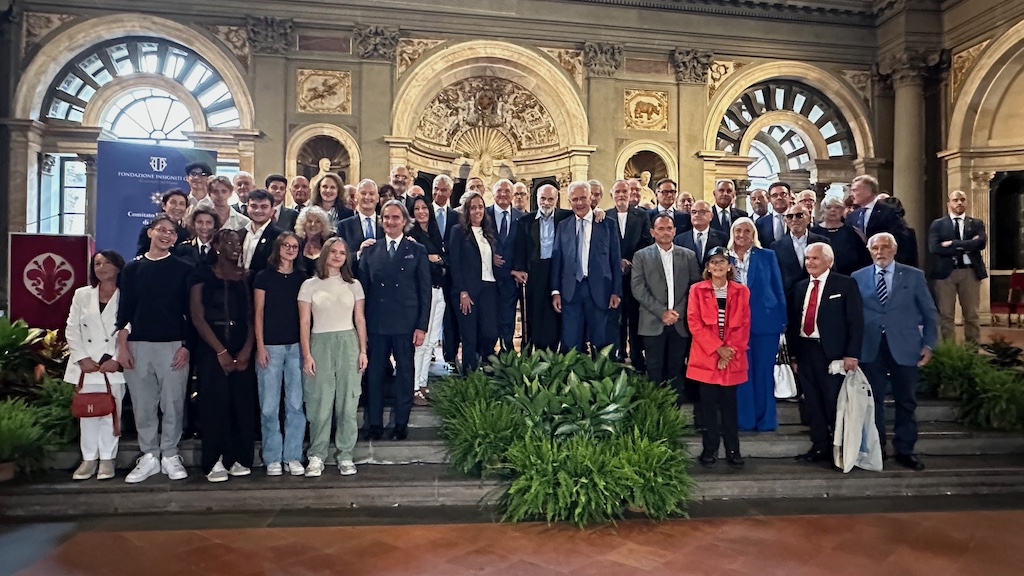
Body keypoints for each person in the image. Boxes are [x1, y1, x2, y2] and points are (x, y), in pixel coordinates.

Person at [116, 214, 194, 483]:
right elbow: (124, 313)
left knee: (172, 403)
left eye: (172, 232)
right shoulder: (131, 269)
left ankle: (170, 453)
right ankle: (149, 454)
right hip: (138, 345)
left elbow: (190, 313)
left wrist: (186, 346)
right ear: (150, 232)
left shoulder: (183, 268)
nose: (166, 236)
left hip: (173, 344)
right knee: (143, 404)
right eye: (162, 230)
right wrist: (122, 346)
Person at [854, 233, 938, 470]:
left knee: (906, 400)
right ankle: (875, 448)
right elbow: (852, 317)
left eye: (885, 247)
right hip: (870, 348)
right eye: (875, 248)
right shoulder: (857, 277)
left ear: (894, 250)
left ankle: (905, 450)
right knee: (873, 402)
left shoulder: (913, 276)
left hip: (905, 346)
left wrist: (929, 345)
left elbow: (930, 313)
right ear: (869, 251)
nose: (880, 252)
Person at [358, 200, 431, 441]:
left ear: (404, 221)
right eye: (386, 217)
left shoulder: (417, 250)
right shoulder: (370, 250)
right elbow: (363, 292)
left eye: (395, 217)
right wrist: (363, 328)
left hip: (406, 322)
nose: (390, 221)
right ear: (381, 221)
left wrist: (422, 326)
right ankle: (375, 424)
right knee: (375, 374)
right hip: (377, 322)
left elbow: (424, 291)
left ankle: (401, 423)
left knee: (404, 374)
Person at [189, 229, 256, 483]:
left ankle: (239, 457)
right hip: (211, 345)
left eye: (238, 243)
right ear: (216, 245)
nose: (235, 247)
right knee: (214, 403)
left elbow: (251, 316)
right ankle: (214, 459)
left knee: (241, 403)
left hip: (242, 343)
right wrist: (221, 351)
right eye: (229, 242)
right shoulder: (202, 274)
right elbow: (197, 315)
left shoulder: (245, 276)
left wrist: (247, 349)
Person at [298, 237, 368, 477]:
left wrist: (362, 350)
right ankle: (316, 455)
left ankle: (345, 454)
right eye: (334, 252)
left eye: (342, 252)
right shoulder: (309, 285)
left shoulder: (354, 285)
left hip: (348, 343)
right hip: (320, 343)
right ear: (325, 254)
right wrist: (307, 354)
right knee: (320, 403)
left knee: (348, 403)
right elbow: (305, 322)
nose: (338, 256)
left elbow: (360, 319)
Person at [787, 243, 863, 464]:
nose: (809, 262)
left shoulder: (845, 284)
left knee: (833, 402)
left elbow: (855, 322)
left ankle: (839, 449)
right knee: (812, 403)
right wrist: (793, 355)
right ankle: (819, 446)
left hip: (833, 354)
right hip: (805, 351)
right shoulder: (800, 287)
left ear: (829, 261)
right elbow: (794, 322)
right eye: (808, 258)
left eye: (815, 259)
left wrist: (851, 354)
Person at [65, 250, 127, 481]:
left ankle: (108, 459)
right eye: (97, 263)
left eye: (107, 263)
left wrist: (116, 359)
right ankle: (89, 458)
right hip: (87, 366)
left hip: (111, 364)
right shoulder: (82, 295)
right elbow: (72, 328)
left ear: (118, 267)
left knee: (111, 413)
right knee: (88, 413)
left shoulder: (126, 295)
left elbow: (129, 329)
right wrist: (82, 358)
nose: (102, 268)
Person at [687, 247, 750, 469]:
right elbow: (695, 323)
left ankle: (733, 450)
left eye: (722, 261)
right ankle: (710, 448)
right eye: (713, 262)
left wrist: (728, 351)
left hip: (731, 357)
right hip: (706, 357)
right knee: (708, 408)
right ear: (707, 267)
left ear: (730, 266)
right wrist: (717, 349)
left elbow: (743, 325)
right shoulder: (697, 290)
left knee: (730, 407)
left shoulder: (741, 291)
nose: (718, 266)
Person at [631, 213, 701, 405]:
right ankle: (657, 411)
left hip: (680, 322)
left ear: (675, 231)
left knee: (676, 368)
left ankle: (675, 412)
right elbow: (638, 289)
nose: (665, 232)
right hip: (653, 321)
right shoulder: (641, 256)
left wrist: (676, 312)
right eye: (660, 229)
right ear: (653, 232)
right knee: (654, 368)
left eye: (669, 228)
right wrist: (661, 312)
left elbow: (695, 288)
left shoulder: (688, 255)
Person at [254, 232, 307, 477]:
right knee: (268, 406)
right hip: (271, 348)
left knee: (296, 404)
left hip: (296, 347)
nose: (290, 249)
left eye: (294, 246)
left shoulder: (302, 278)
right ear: (278, 248)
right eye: (286, 245)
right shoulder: (263, 277)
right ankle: (273, 456)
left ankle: (293, 456)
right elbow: (259, 314)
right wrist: (260, 345)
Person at [728, 217, 786, 432]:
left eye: (747, 231)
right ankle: (745, 420)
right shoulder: (723, 259)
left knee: (763, 372)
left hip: (765, 322)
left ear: (754, 235)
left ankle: (766, 420)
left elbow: (777, 287)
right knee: (742, 373)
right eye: (738, 230)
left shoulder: (767, 256)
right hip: (734, 325)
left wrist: (783, 320)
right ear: (732, 233)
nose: (742, 235)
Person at [552, 181, 622, 352]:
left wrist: (616, 291)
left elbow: (615, 259)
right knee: (570, 341)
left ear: (591, 198)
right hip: (570, 291)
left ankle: (601, 377)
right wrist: (555, 291)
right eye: (574, 199)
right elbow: (558, 260)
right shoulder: (563, 226)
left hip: (600, 290)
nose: (579, 203)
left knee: (601, 341)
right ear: (569, 201)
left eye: (583, 198)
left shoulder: (607, 224)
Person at [513, 184, 573, 350]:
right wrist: (519, 268)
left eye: (550, 199)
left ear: (556, 200)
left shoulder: (566, 217)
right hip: (535, 272)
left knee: (557, 312)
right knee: (536, 313)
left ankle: (556, 350)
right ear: (537, 199)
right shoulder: (525, 221)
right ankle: (538, 349)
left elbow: (585, 213)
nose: (546, 203)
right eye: (543, 199)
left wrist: (598, 212)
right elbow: (519, 248)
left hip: (558, 270)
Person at [450, 191, 500, 371]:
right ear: (466, 211)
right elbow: (454, 263)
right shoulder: (458, 232)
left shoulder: (488, 232)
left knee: (490, 332)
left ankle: (485, 366)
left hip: (489, 287)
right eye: (473, 208)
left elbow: (484, 257)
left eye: (480, 207)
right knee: (469, 336)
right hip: (468, 290)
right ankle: (469, 378)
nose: (477, 211)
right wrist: (462, 291)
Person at [928, 190, 987, 342]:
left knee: (971, 315)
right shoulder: (938, 224)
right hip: (945, 274)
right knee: (946, 315)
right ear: (949, 203)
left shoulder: (976, 223)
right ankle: (950, 351)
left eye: (962, 199)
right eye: (955, 200)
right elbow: (935, 248)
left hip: (970, 272)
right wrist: (968, 244)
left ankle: (972, 352)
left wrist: (953, 244)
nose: (959, 203)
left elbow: (980, 243)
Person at [408, 195, 447, 403]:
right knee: (421, 342)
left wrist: (437, 259)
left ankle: (423, 382)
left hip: (440, 291)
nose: (422, 212)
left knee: (432, 341)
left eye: (424, 208)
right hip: (424, 292)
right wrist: (434, 260)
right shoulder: (411, 236)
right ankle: (414, 387)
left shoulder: (434, 232)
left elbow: (444, 260)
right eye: (417, 209)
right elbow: (422, 264)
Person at [611, 179, 653, 368]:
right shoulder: (605, 216)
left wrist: (630, 261)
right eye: (617, 191)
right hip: (612, 275)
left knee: (635, 316)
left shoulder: (642, 216)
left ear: (630, 194)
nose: (621, 194)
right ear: (612, 194)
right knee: (617, 316)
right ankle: (619, 351)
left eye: (624, 191)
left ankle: (637, 354)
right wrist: (617, 260)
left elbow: (646, 241)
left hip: (635, 274)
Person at [486, 179, 524, 350]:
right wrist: (488, 256)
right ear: (493, 193)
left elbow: (525, 247)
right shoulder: (483, 214)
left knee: (508, 319)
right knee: (489, 319)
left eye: (507, 191)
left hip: (511, 278)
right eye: (499, 191)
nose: (503, 194)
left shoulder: (522, 217)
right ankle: (486, 357)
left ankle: (507, 354)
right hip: (488, 277)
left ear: (512, 194)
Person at [847, 174, 915, 265]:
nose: (851, 194)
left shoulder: (889, 211)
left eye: (855, 190)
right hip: (859, 267)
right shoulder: (852, 215)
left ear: (868, 191)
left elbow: (901, 238)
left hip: (884, 264)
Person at [432, 175, 461, 369]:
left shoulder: (457, 217)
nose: (438, 193)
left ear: (450, 192)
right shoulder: (422, 213)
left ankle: (450, 357)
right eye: (436, 189)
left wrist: (445, 262)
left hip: (451, 273)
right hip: (429, 274)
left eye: (443, 190)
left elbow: (458, 248)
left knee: (451, 317)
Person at [774, 204, 830, 299]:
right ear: (786, 221)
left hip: (818, 296)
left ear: (808, 219)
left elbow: (830, 269)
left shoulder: (822, 242)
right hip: (789, 299)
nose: (794, 219)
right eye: (790, 216)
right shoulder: (776, 246)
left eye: (799, 215)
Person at [810, 196, 871, 276]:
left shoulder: (853, 232)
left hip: (848, 277)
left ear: (842, 210)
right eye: (828, 207)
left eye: (837, 207)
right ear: (822, 210)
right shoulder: (813, 232)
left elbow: (864, 259)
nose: (833, 210)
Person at [338, 179, 382, 278]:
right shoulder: (344, 226)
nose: (367, 197)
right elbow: (340, 256)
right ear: (356, 197)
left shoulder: (386, 224)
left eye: (371, 194)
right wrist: (358, 254)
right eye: (363, 193)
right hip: (353, 279)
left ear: (378, 198)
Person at [241, 189, 283, 275]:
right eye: (254, 206)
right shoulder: (240, 233)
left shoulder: (279, 236)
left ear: (272, 211)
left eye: (264, 207)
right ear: (247, 208)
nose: (258, 211)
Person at [674, 200, 727, 268]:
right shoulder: (679, 240)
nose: (697, 215)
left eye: (702, 212)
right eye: (693, 212)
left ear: (711, 216)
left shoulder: (722, 238)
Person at [135, 189, 190, 256]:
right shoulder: (150, 230)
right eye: (173, 202)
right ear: (164, 206)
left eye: (182, 204)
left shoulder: (187, 234)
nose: (177, 207)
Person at [295, 206, 334, 276]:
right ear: (303, 224)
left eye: (318, 222)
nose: (313, 224)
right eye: (309, 221)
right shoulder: (296, 244)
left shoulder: (330, 245)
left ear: (323, 225)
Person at [755, 182, 792, 248]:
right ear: (769, 199)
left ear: (790, 196)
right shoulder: (761, 223)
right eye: (774, 195)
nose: (779, 198)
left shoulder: (798, 219)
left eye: (783, 194)